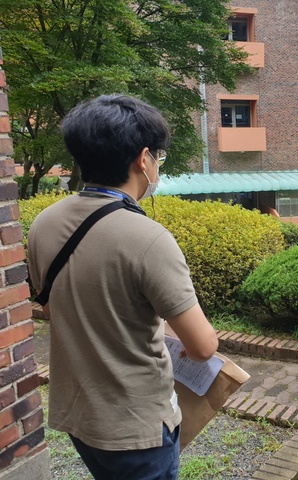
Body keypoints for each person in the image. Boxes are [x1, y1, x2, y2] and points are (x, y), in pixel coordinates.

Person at [27, 94, 219, 480]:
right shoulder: (148, 238)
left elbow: (52, 309)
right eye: (159, 158)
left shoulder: (43, 223)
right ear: (143, 158)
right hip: (137, 427)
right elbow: (202, 348)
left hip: (79, 415)